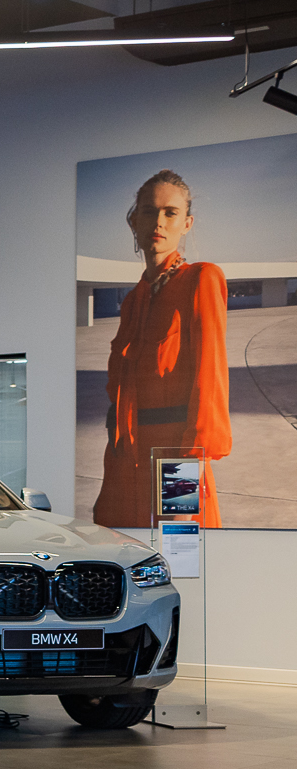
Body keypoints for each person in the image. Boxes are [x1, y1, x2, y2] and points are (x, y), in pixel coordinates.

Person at [93, 169, 230, 528]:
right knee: (122, 552)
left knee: (179, 552)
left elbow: (210, 380)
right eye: (149, 211)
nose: (158, 221)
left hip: (176, 459)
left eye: (170, 213)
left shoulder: (200, 279)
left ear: (187, 224)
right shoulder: (133, 300)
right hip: (124, 458)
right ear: (134, 222)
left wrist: (185, 477)